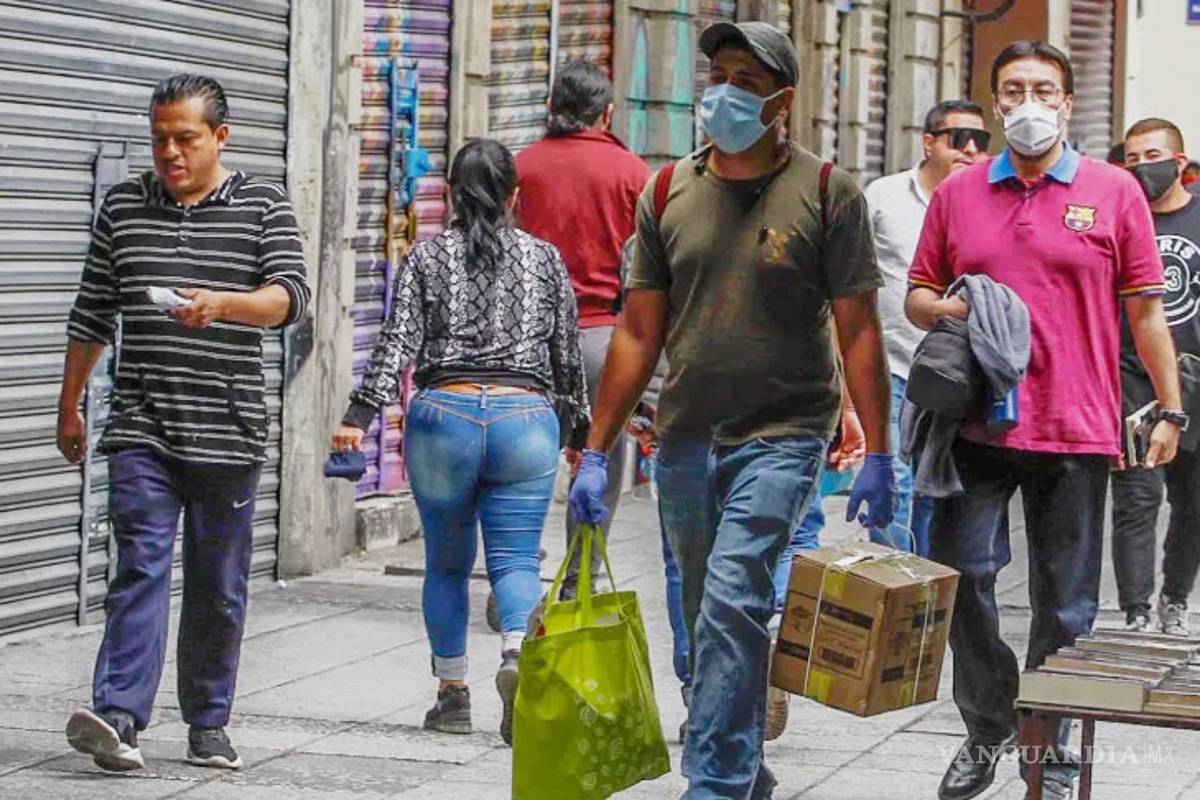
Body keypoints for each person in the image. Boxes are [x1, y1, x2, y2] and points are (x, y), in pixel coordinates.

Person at [571, 22, 896, 799]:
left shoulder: (828, 192)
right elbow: (638, 331)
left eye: (745, 81)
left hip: (785, 434)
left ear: (783, 99)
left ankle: (714, 779)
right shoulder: (665, 192)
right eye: (716, 75)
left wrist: (881, 453)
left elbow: (858, 329)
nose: (723, 93)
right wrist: (595, 448)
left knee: (734, 594)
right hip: (686, 435)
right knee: (700, 615)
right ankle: (744, 763)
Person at [906, 41, 1184, 800]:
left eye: (1043, 89)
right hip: (976, 424)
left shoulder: (1113, 191)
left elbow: (1146, 312)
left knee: (1067, 604)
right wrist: (958, 306)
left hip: (1076, 425)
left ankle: (1049, 741)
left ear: (1066, 102)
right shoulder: (960, 194)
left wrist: (1171, 410)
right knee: (964, 578)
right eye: (1014, 89)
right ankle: (989, 722)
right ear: (997, 102)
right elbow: (918, 293)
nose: (1028, 102)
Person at [60, 74, 310, 772]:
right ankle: (119, 717)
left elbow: (289, 298)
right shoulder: (123, 207)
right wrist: (69, 403)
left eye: (185, 139)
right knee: (138, 567)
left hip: (229, 430)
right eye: (159, 139)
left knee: (218, 585)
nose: (170, 152)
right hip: (141, 424)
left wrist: (223, 304)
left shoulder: (263, 204)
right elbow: (91, 311)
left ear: (220, 137)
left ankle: (207, 722)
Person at [332, 139, 589, 747]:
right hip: (524, 420)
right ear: (514, 196)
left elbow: (395, 344)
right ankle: (516, 650)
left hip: (442, 419)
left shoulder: (427, 257)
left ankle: (452, 695)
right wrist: (580, 432)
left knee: (447, 565)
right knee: (516, 561)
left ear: (449, 193)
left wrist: (358, 416)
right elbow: (567, 356)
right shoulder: (544, 259)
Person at [514, 60, 651, 596]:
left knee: (522, 462)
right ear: (607, 114)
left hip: (528, 341)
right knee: (599, 460)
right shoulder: (634, 175)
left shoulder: (521, 169)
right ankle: (579, 579)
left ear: (551, 107)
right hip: (603, 340)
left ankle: (516, 574)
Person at [859, 99, 990, 557]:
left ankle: (923, 583)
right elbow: (850, 279)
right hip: (892, 369)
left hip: (957, 377)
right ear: (929, 143)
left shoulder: (989, 203)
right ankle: (893, 580)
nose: (970, 149)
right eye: (958, 139)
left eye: (980, 141)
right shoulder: (883, 196)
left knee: (934, 489)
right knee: (893, 484)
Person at [1111, 118, 1200, 635]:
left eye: (1153, 156)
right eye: (1133, 159)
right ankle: (1136, 611)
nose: (1143, 167)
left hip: (1195, 382)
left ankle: (1174, 599)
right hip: (1133, 381)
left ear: (1180, 163)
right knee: (1136, 499)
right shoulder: (1123, 220)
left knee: (1193, 504)